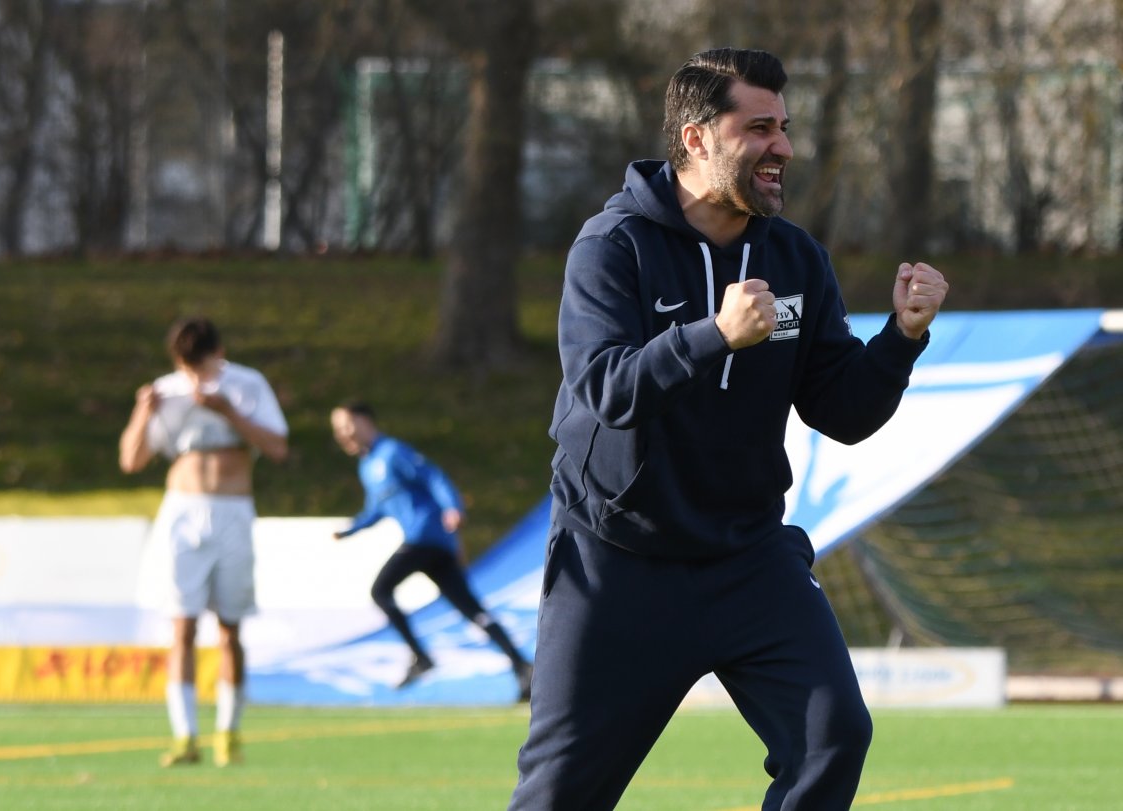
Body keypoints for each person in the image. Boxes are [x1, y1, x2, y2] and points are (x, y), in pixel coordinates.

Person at [506, 48, 948, 811]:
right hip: (618, 563)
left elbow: (842, 414)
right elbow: (606, 388)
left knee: (833, 734)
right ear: (698, 138)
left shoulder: (796, 257)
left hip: (747, 558)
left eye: (785, 128)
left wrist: (902, 339)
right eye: (760, 128)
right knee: (558, 796)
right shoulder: (613, 247)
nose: (783, 148)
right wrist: (712, 335)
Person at [119, 316, 288, 768]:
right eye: (187, 366)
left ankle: (228, 732)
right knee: (182, 626)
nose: (195, 375)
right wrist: (142, 412)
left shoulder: (247, 384)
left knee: (231, 626)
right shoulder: (167, 390)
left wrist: (228, 413)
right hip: (182, 513)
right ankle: (185, 735)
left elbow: (277, 448)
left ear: (219, 352)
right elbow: (131, 461)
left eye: (202, 364)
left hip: (232, 511)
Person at [329, 400, 533, 701]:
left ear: (365, 422)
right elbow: (377, 509)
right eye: (337, 430)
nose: (342, 434)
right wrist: (352, 529)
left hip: (425, 537)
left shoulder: (393, 452)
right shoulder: (367, 466)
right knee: (472, 610)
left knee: (380, 590)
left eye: (346, 425)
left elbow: (434, 477)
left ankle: (420, 657)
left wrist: (452, 507)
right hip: (432, 547)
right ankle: (522, 667)